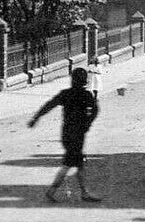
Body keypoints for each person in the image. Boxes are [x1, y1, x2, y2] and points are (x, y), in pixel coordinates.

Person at [27, 67, 100, 203]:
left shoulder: (66, 94)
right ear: (84, 81)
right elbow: (96, 110)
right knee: (70, 163)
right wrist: (88, 123)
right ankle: (53, 191)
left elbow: (49, 105)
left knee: (77, 162)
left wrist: (36, 118)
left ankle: (83, 192)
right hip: (78, 133)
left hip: (66, 133)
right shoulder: (86, 95)